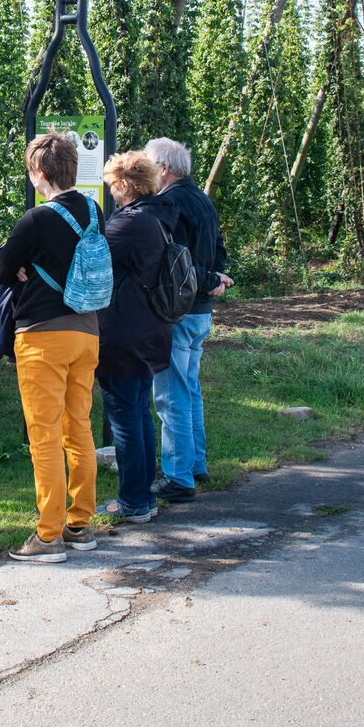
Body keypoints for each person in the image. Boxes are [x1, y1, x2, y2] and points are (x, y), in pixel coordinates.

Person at [0, 132, 102, 563]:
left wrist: (18, 266)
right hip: (87, 330)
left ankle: (48, 535)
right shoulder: (95, 211)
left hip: (42, 334)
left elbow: (0, 271)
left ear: (40, 173)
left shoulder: (36, 219)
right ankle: (80, 524)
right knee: (79, 428)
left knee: (44, 437)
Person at [140, 137, 232, 504]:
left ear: (163, 169)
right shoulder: (202, 199)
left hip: (177, 310)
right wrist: (217, 279)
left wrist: (208, 280)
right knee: (189, 387)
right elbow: (217, 249)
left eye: (148, 167)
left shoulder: (169, 204)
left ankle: (178, 476)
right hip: (201, 310)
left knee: (170, 394)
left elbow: (175, 260)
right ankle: (196, 464)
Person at [93, 151, 171, 524]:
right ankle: (144, 496)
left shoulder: (127, 224)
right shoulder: (155, 217)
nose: (110, 191)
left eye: (112, 185)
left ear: (124, 184)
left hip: (121, 331)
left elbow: (89, 256)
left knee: (125, 415)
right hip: (148, 328)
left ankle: (133, 501)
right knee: (140, 412)